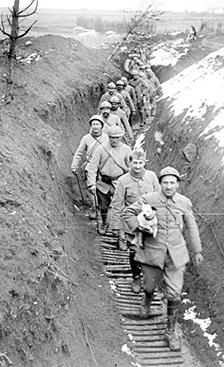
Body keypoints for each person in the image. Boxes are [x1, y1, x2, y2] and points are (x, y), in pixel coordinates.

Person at [122, 167, 203, 351]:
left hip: (176, 255)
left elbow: (192, 227)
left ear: (177, 184)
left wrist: (197, 250)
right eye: (165, 182)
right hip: (152, 253)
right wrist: (140, 228)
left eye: (172, 183)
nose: (168, 186)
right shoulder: (149, 199)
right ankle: (147, 299)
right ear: (160, 183)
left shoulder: (184, 202)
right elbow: (127, 213)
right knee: (149, 287)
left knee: (174, 294)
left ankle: (170, 331)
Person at [110, 148, 159, 293]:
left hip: (149, 222)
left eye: (141, 163)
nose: (138, 166)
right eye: (135, 163)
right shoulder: (123, 181)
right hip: (131, 225)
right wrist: (115, 226)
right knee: (134, 252)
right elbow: (117, 205)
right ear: (129, 163)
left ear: (145, 162)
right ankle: (136, 277)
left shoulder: (152, 177)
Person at [86, 125, 132, 236]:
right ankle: (105, 223)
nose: (114, 140)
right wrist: (91, 183)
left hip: (119, 182)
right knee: (103, 206)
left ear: (121, 137)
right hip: (103, 182)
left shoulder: (126, 149)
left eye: (117, 137)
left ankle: (120, 231)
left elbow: (130, 167)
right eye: (112, 137)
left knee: (121, 207)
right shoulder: (101, 149)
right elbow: (93, 167)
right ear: (108, 137)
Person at [71, 115, 107, 219]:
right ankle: (94, 207)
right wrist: (74, 165)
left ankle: (102, 207)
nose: (95, 126)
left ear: (101, 126)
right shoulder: (86, 138)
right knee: (90, 187)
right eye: (93, 124)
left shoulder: (106, 138)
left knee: (102, 187)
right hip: (90, 165)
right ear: (91, 125)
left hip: (102, 166)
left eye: (97, 124)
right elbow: (79, 152)